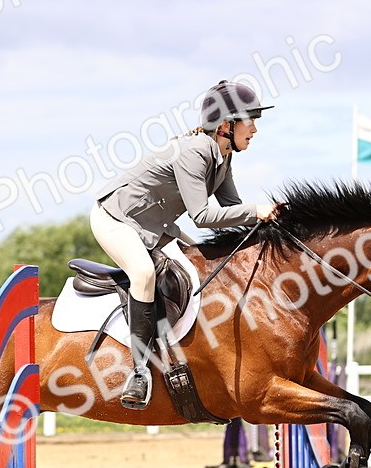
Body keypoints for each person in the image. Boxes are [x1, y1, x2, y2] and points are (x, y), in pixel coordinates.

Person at [91, 80, 279, 410]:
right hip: (115, 218)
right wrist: (256, 211)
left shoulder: (222, 157)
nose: (255, 129)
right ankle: (139, 372)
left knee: (197, 262)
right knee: (144, 274)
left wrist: (269, 224)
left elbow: (233, 210)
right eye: (250, 121)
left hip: (153, 225)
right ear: (226, 125)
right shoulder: (195, 152)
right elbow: (204, 216)